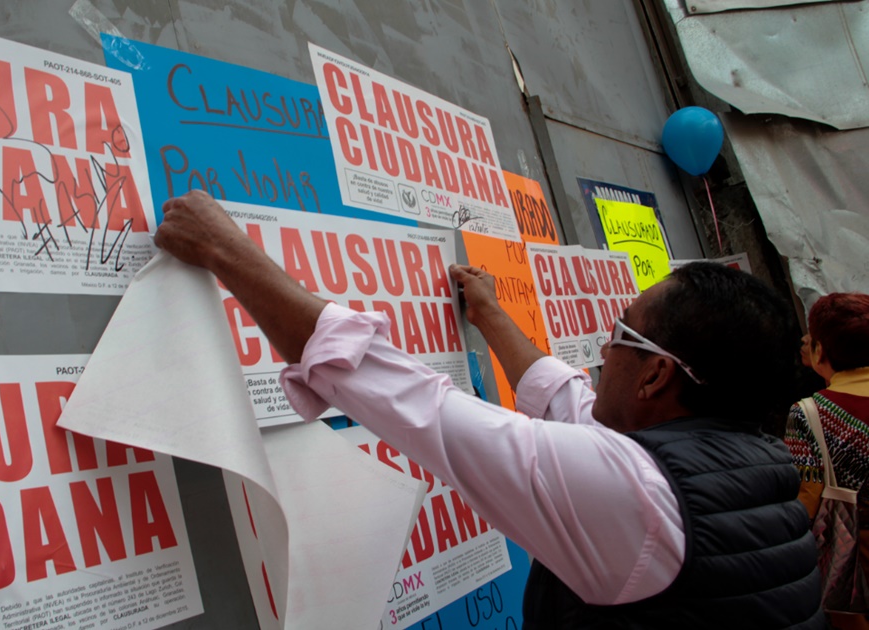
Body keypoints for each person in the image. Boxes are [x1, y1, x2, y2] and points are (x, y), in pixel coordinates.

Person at [154, 190, 824, 628]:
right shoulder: (741, 456)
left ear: (654, 375)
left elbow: (415, 403)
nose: (599, 346)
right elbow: (568, 401)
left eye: (620, 332)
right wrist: (491, 317)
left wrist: (223, 249)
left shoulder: (640, 492)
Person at [785, 293, 869, 630]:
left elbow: (807, 496)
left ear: (821, 350)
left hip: (854, 559)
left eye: (811, 337)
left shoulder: (808, 414)